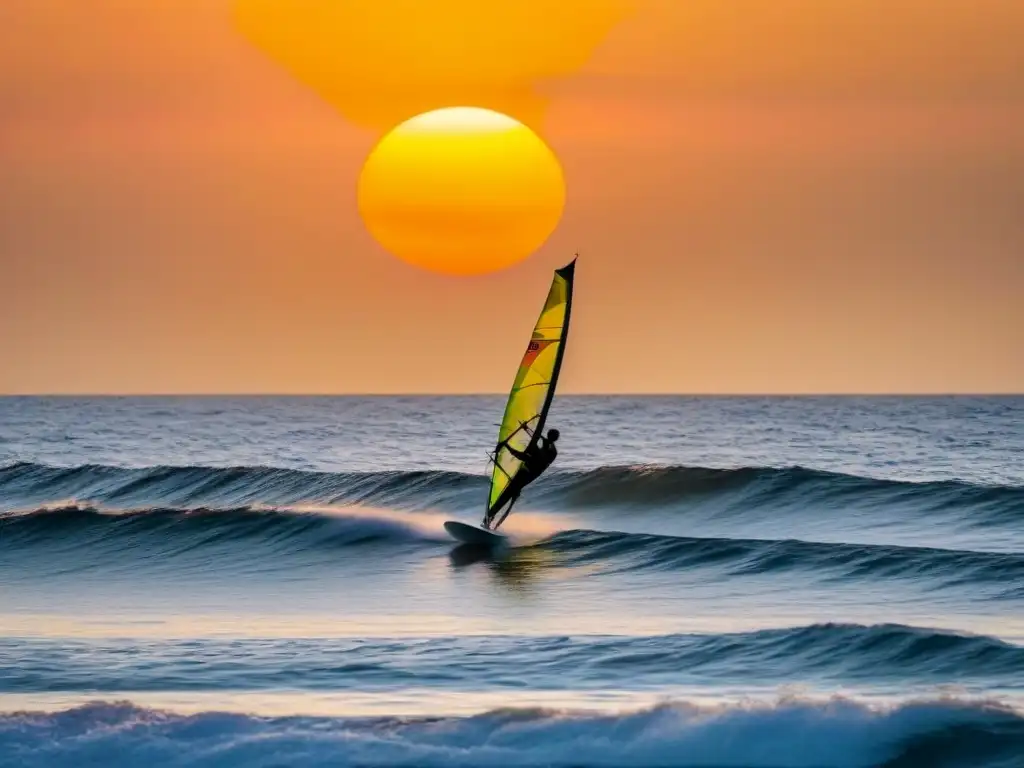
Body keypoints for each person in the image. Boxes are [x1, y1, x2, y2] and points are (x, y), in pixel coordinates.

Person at [485, 428, 560, 528]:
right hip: (525, 473)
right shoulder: (545, 447)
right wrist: (527, 431)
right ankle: (490, 518)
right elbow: (527, 452)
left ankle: (490, 518)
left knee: (509, 494)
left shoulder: (551, 452)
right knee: (509, 494)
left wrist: (506, 445)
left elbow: (527, 455)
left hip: (527, 475)